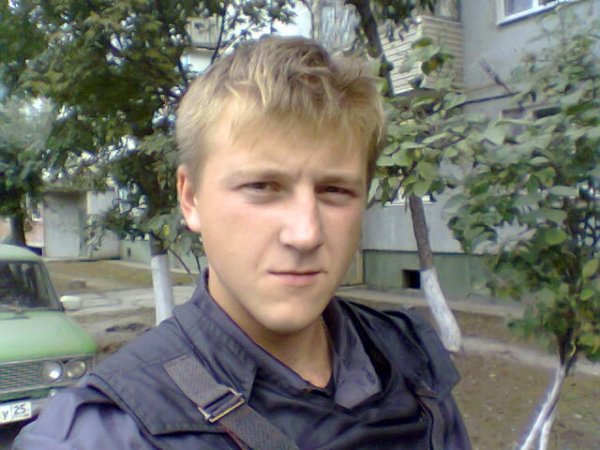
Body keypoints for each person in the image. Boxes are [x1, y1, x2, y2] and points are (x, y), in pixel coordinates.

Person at [14, 36, 471, 450]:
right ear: (190, 198)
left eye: (335, 190)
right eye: (262, 187)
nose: (306, 233)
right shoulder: (104, 433)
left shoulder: (405, 356)